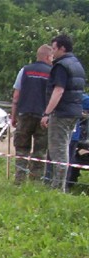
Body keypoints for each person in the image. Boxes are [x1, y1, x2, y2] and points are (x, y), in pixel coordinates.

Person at [42, 34, 85, 191]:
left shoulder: (61, 66)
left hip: (61, 112)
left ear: (63, 48)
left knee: (58, 151)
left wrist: (47, 113)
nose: (52, 53)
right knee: (65, 148)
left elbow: (58, 90)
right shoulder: (77, 64)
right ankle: (60, 185)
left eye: (54, 49)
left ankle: (57, 188)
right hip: (74, 112)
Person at [11, 45, 53, 183]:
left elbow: (16, 96)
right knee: (40, 152)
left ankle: (19, 179)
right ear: (47, 57)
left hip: (24, 114)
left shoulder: (25, 70)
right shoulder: (52, 72)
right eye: (52, 57)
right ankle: (35, 182)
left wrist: (13, 116)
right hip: (43, 117)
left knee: (21, 149)